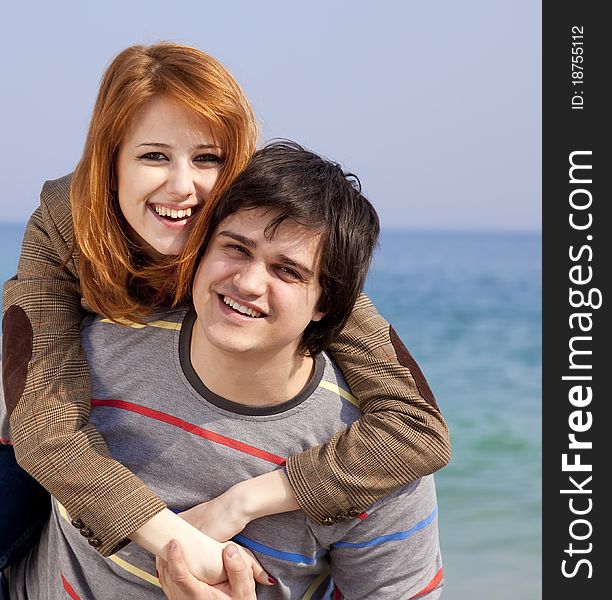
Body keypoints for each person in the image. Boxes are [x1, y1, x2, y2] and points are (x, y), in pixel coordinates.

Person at [0, 42, 450, 582]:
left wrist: (241, 503)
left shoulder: (255, 246)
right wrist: (178, 542)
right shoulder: (64, 222)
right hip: (31, 450)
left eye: (207, 158)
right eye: (153, 156)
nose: (182, 186)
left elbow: (417, 428)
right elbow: (48, 423)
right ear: (111, 164)